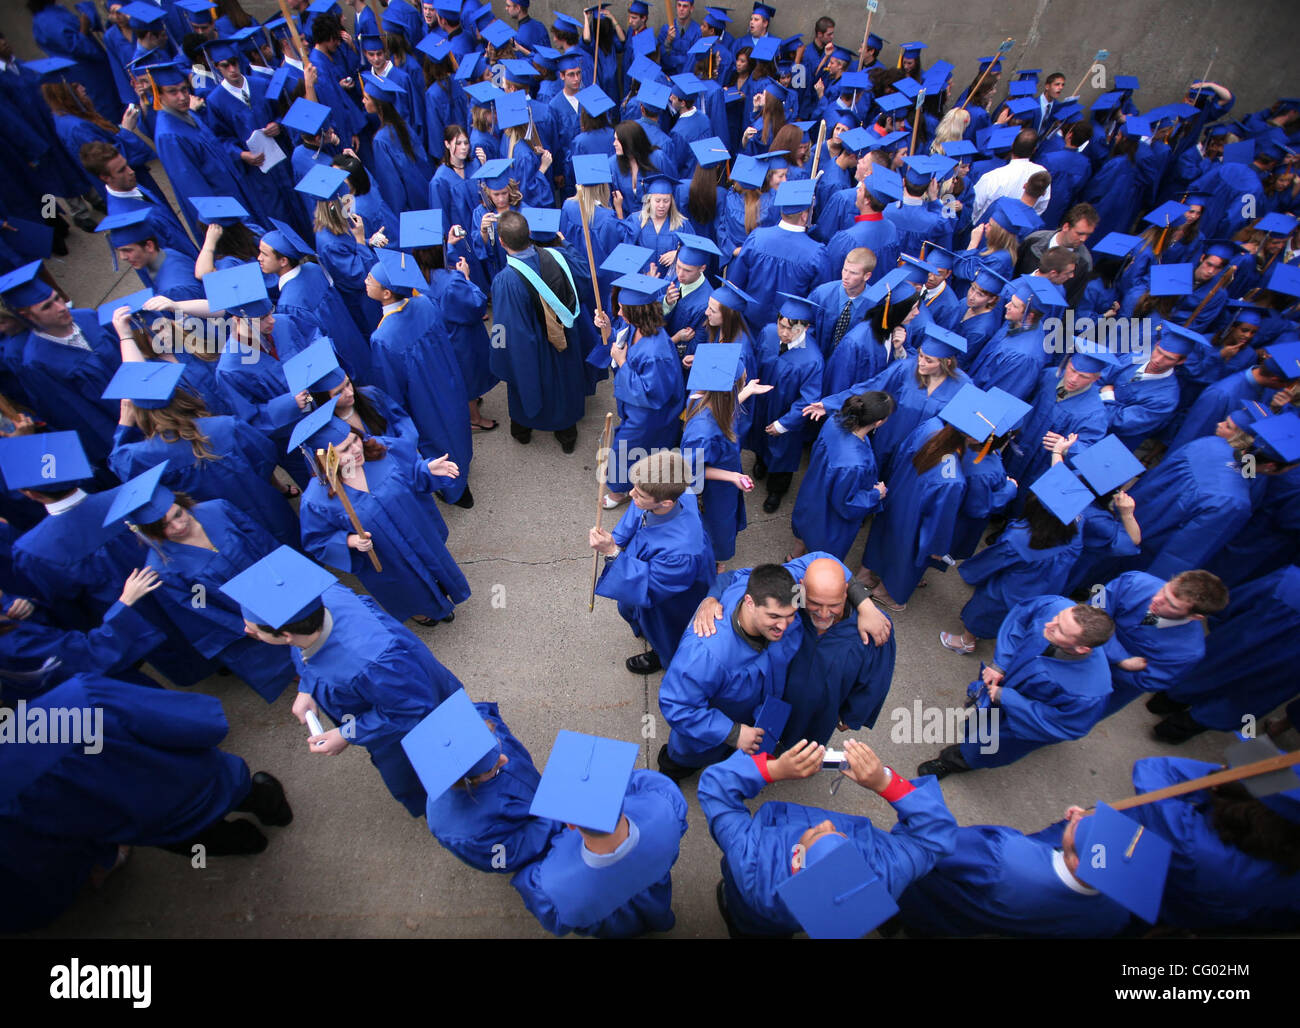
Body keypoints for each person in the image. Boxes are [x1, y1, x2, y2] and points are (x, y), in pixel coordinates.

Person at [0, 672, 293, 933]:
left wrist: (102, 854)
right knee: (251, 794)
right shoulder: (76, 698)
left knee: (207, 843)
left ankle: (249, 842)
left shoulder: (7, 802)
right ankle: (275, 812)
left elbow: (55, 846)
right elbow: (185, 722)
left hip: (153, 828)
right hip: (199, 779)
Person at [226, 545, 464, 817]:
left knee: (427, 767)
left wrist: (346, 733)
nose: (246, 629)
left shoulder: (370, 664)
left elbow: (410, 708)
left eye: (254, 629)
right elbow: (309, 654)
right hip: (389, 691)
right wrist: (308, 689)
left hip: (413, 719)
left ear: (285, 634)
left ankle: (447, 808)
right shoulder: (318, 602)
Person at [700, 738, 957, 938]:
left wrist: (773, 769)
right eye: (840, 836)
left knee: (749, 924)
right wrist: (885, 782)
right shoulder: (885, 872)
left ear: (797, 857)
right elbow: (937, 834)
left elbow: (714, 789)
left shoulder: (751, 862)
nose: (827, 823)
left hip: (755, 914)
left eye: (817, 834)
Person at [102, 461, 299, 703]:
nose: (178, 525)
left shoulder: (217, 510)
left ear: (182, 503)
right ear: (150, 531)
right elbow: (199, 604)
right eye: (165, 526)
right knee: (280, 649)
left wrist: (290, 574)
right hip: (240, 611)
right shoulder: (164, 567)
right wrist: (246, 627)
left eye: (178, 514)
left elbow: (263, 540)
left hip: (275, 584)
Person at [292, 397, 471, 627]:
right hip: (386, 557)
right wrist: (349, 540)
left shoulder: (381, 450)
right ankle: (423, 611)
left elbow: (413, 474)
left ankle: (443, 592)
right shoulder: (316, 500)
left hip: (417, 533)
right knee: (406, 585)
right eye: (344, 449)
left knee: (434, 567)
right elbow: (317, 540)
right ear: (327, 459)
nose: (356, 449)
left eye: (354, 439)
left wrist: (427, 469)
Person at [513, 731, 689, 938]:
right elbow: (647, 781)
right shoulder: (665, 811)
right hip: (653, 889)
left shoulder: (553, 885)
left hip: (604, 915)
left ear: (569, 824)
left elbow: (558, 921)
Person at [917, 595, 1115, 778]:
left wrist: (1009, 699)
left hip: (1021, 720)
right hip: (1003, 685)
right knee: (979, 720)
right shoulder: (1056, 607)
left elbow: (1063, 724)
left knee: (985, 746)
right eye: (1058, 618)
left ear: (1082, 648)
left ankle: (953, 762)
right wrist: (1001, 663)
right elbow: (1019, 622)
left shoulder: (1090, 692)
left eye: (1060, 630)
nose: (1049, 624)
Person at [1115, 756, 1300, 932]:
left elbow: (1153, 770)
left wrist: (1222, 777)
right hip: (1199, 916)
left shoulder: (1195, 844)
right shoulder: (1282, 855)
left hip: (1140, 891)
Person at [895, 810, 1139, 939]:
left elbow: (936, 844)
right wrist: (1072, 829)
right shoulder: (1114, 917)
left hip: (931, 895)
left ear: (1075, 862)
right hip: (970, 922)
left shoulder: (1004, 856)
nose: (1079, 816)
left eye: (1081, 827)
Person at [405, 689, 563, 875]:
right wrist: (557, 817)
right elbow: (509, 855)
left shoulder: (472, 726)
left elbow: (486, 715)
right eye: (490, 768)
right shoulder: (466, 834)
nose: (504, 759)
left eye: (496, 747)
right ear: (466, 782)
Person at [365, 247, 475, 506]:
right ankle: (463, 469)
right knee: (456, 427)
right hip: (447, 380)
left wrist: (398, 420)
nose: (365, 281)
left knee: (434, 439)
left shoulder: (382, 338)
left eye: (371, 279)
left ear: (386, 293)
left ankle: (454, 490)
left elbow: (390, 387)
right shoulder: (423, 303)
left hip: (422, 399)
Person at [591, 450, 715, 674]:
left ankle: (662, 657)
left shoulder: (683, 553)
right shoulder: (676, 493)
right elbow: (637, 513)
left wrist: (612, 552)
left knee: (666, 631)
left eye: (639, 494)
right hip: (653, 565)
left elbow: (649, 588)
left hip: (671, 597)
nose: (631, 494)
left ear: (666, 502)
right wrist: (616, 539)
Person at [488, 210, 592, 453]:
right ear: (530, 235)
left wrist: (498, 348)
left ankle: (522, 430)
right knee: (564, 384)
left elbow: (505, 328)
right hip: (564, 339)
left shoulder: (506, 281)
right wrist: (565, 241)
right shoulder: (559, 256)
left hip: (534, 351)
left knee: (526, 383)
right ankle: (567, 435)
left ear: (502, 242)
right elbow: (584, 275)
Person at [944, 485, 1083, 652]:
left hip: (1010, 590)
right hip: (1045, 588)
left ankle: (966, 642)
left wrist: (973, 573)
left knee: (984, 612)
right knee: (1014, 617)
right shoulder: (1075, 535)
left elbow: (991, 562)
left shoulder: (1021, 539)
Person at [779, 556, 897, 746]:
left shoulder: (873, 627)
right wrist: (712, 599)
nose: (824, 614)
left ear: (846, 593)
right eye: (815, 603)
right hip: (777, 697)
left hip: (822, 711)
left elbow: (877, 678)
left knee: (806, 745)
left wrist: (852, 715)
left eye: (834, 605)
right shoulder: (790, 600)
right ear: (801, 588)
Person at [592, 274, 687, 505]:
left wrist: (622, 363)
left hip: (649, 416)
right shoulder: (637, 327)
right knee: (633, 451)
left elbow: (652, 395)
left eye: (623, 309)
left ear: (638, 313)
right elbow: (620, 335)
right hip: (635, 410)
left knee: (623, 451)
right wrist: (606, 326)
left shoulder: (657, 353)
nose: (619, 313)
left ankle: (618, 491)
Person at [1094, 569, 1228, 720]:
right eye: (1165, 590)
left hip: (1109, 688)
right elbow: (1092, 614)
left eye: (1171, 604)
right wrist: (1120, 658)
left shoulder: (1188, 652)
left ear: (1195, 616)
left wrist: (1101, 649)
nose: (1157, 599)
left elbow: (1147, 681)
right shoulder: (1133, 581)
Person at [679, 343, 765, 569]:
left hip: (726, 477)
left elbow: (726, 403)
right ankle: (711, 562)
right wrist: (732, 477)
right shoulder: (703, 433)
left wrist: (747, 392)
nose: (745, 380)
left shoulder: (705, 397)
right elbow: (691, 472)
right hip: (712, 492)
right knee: (715, 527)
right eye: (742, 381)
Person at [790, 391, 892, 564]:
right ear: (879, 422)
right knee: (824, 552)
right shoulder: (854, 463)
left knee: (804, 528)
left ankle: (794, 556)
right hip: (829, 515)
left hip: (813, 492)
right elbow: (846, 503)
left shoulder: (834, 421)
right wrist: (876, 494)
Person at [750, 292, 824, 513]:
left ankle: (777, 489)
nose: (784, 332)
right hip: (762, 403)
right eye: (781, 325)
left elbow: (809, 398)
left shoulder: (813, 359)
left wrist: (784, 424)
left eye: (793, 329)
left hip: (786, 413)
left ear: (806, 328)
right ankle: (761, 461)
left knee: (783, 454)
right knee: (760, 438)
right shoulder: (767, 333)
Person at [727, 178, 828, 332]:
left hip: (750, 326)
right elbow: (818, 301)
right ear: (804, 216)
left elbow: (736, 284)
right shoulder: (816, 253)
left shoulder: (756, 238)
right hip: (789, 331)